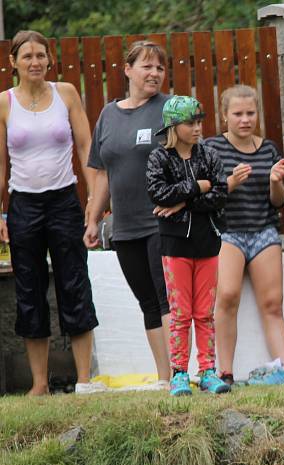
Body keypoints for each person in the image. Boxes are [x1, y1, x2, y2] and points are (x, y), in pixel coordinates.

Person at [0, 30, 100, 396]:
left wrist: (92, 200)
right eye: (26, 56)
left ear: (49, 59)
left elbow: (87, 146)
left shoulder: (66, 93)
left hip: (63, 201)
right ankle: (39, 384)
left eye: (40, 55)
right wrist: (1, 215)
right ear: (13, 62)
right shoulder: (4, 103)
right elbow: (0, 166)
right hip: (23, 205)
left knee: (74, 282)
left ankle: (85, 380)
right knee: (29, 289)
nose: (34, 62)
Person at [83, 41, 172, 388]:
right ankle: (164, 377)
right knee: (147, 301)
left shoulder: (169, 109)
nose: (154, 73)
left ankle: (180, 374)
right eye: (147, 66)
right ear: (127, 70)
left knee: (167, 299)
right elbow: (102, 173)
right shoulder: (108, 114)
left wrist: (178, 202)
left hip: (162, 223)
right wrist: (93, 219)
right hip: (124, 226)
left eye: (160, 68)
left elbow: (189, 158)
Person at [204, 85, 284, 386]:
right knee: (227, 296)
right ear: (225, 116)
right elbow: (207, 198)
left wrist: (275, 182)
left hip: (263, 232)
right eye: (238, 114)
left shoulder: (269, 149)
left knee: (272, 303)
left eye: (250, 113)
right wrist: (230, 183)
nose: (245, 119)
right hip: (228, 233)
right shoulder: (211, 149)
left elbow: (278, 201)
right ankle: (225, 372)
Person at [145, 96, 229, 396]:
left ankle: (208, 371)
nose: (197, 128)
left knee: (204, 312)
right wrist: (197, 187)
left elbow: (220, 193)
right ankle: (179, 373)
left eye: (198, 122)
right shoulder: (159, 158)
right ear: (173, 126)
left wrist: (183, 201)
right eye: (190, 123)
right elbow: (158, 194)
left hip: (208, 242)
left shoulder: (209, 154)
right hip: (174, 245)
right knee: (180, 312)